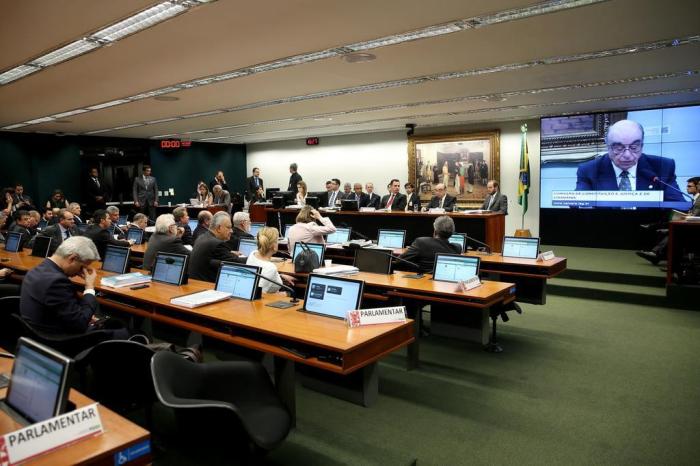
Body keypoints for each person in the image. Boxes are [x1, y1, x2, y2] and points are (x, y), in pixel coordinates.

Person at [19, 236, 129, 339]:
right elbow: (80, 324)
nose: (81, 272)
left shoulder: (38, 269)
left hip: (41, 330)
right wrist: (89, 288)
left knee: (113, 323)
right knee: (125, 333)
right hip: (58, 340)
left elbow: (62, 308)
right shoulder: (56, 282)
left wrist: (83, 313)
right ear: (72, 258)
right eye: (82, 266)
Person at [575, 119, 683, 201]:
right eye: (618, 147)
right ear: (607, 145)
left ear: (642, 145)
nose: (627, 155)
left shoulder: (662, 167)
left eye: (634, 147)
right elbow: (578, 208)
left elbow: (679, 207)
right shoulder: (589, 170)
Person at [636, 177, 700, 264]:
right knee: (670, 217)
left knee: (674, 231)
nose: (687, 188)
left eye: (690, 186)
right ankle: (658, 255)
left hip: (693, 229)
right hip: (689, 226)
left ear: (698, 187)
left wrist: (687, 216)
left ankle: (658, 255)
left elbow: (695, 216)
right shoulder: (696, 199)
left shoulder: (699, 200)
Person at [188, 211, 246, 282]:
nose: (231, 231)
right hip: (206, 286)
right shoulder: (217, 244)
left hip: (195, 282)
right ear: (219, 228)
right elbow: (236, 262)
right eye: (229, 227)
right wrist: (254, 257)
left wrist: (229, 253)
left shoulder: (202, 237)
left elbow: (214, 257)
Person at [246, 227, 295, 293]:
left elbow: (261, 274)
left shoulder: (253, 253)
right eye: (277, 241)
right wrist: (281, 295)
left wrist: (280, 275)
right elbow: (259, 294)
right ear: (274, 246)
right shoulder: (270, 268)